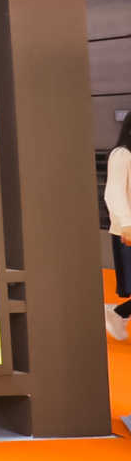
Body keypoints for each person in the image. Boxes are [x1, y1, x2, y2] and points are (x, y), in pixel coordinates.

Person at [106, 112, 131, 342]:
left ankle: (119, 313)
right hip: (127, 231)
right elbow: (113, 193)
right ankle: (118, 313)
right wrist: (126, 224)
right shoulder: (122, 155)